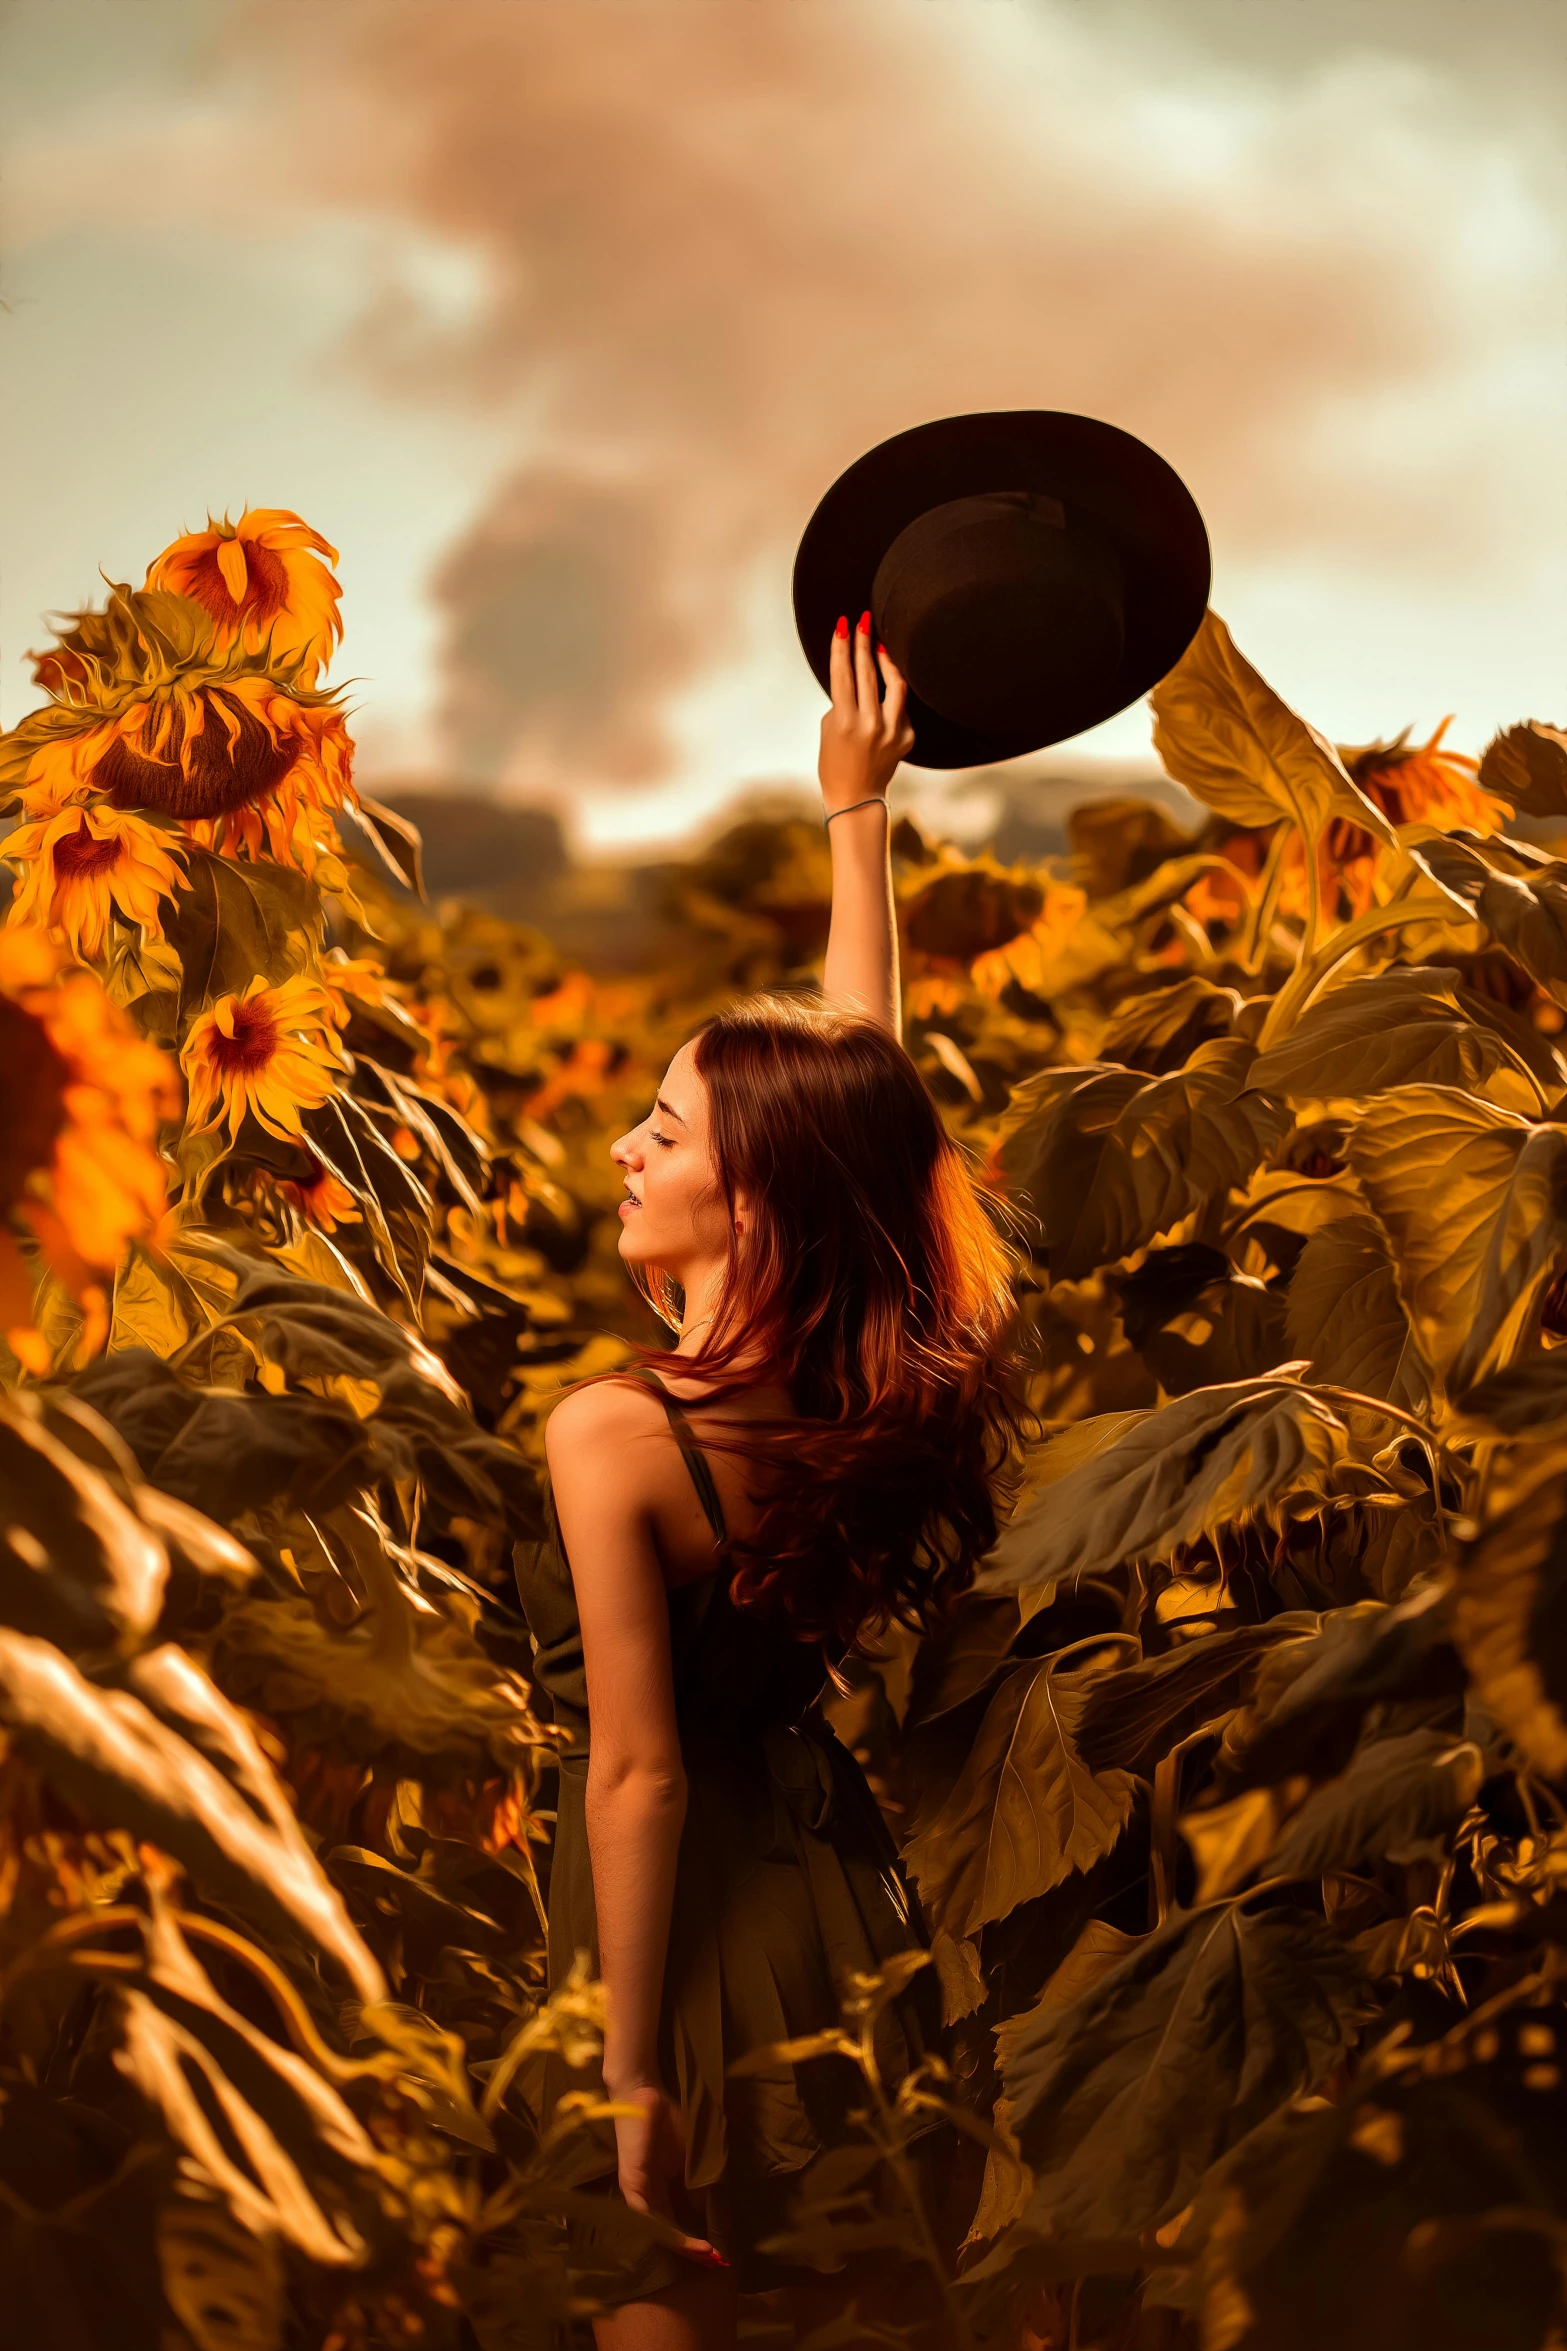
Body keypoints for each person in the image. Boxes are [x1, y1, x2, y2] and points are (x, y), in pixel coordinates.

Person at [517, 611, 1026, 2350]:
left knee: (658, 2298)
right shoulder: (841, 1383)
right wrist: (854, 817)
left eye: (662, 1133)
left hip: (686, 1926)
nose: (620, 1144)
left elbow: (640, 1776)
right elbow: (855, 1112)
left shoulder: (618, 1432)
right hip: (842, 1896)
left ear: (753, 1207)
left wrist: (629, 2073)